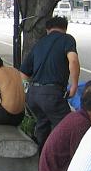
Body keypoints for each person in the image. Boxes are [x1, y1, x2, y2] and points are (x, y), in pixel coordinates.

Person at [20, 16, 80, 145]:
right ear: (65, 28)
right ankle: (65, 161)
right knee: (67, 128)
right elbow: (73, 60)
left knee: (43, 125)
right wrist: (74, 85)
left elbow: (24, 72)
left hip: (33, 95)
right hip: (51, 95)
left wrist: (27, 91)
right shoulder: (67, 39)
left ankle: (42, 158)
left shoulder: (40, 43)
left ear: (48, 29)